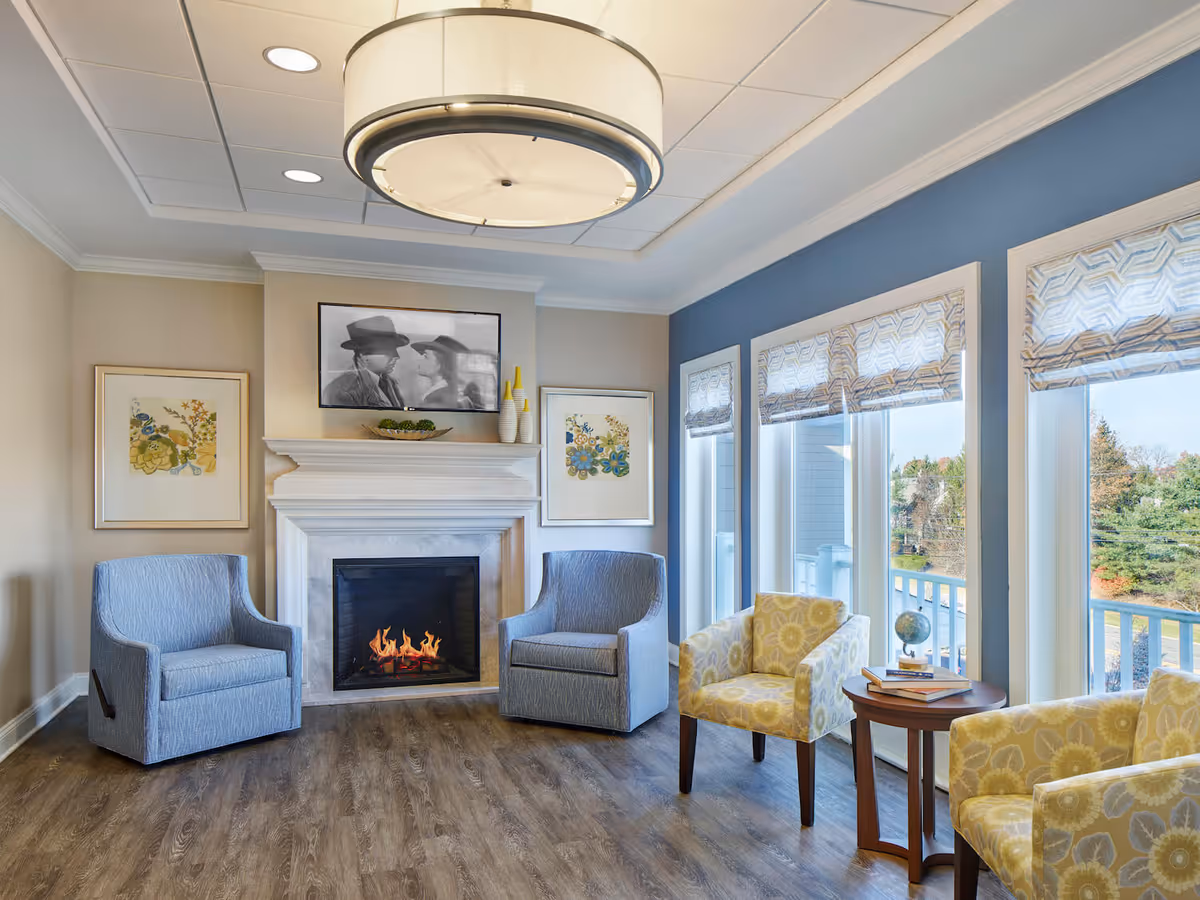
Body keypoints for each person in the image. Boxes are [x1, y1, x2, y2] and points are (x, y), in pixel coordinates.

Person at [323, 315, 409, 408]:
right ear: (363, 355)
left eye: (395, 349)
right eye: (387, 351)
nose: (396, 356)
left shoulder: (390, 383)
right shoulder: (342, 390)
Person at [411, 335, 470, 409]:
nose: (419, 361)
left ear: (440, 364)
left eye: (426, 356)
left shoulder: (437, 400)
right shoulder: (441, 393)